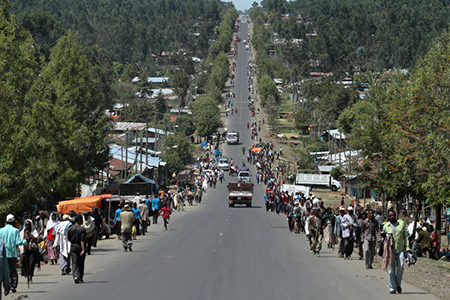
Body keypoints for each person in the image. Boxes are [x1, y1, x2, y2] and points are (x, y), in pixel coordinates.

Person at [383, 210, 410, 294]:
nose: (392, 217)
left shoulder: (401, 224)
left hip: (400, 250)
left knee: (400, 266)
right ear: (388, 217)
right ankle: (392, 287)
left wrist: (407, 247)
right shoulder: (386, 226)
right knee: (391, 270)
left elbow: (405, 236)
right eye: (390, 216)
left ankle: (398, 284)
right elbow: (382, 239)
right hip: (390, 252)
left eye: (393, 215)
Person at [0, 214, 28, 293]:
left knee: (6, 270)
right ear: (13, 222)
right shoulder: (15, 230)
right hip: (12, 253)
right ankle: (13, 285)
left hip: (2, 254)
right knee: (13, 270)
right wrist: (25, 242)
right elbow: (18, 242)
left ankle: (7, 284)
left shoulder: (0, 230)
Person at [67, 215, 86, 284]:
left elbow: (68, 238)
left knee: (74, 262)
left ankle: (75, 276)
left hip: (73, 247)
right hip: (80, 247)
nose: (82, 221)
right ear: (79, 220)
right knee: (80, 263)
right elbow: (82, 240)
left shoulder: (70, 229)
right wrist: (83, 249)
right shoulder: (82, 229)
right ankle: (80, 277)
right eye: (81, 220)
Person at [19, 220, 38, 284]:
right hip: (24, 251)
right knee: (25, 264)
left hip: (31, 250)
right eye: (26, 225)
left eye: (28, 225)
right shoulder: (22, 232)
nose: (27, 226)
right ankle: (27, 275)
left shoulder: (33, 231)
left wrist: (30, 234)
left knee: (31, 264)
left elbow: (35, 239)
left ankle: (30, 277)